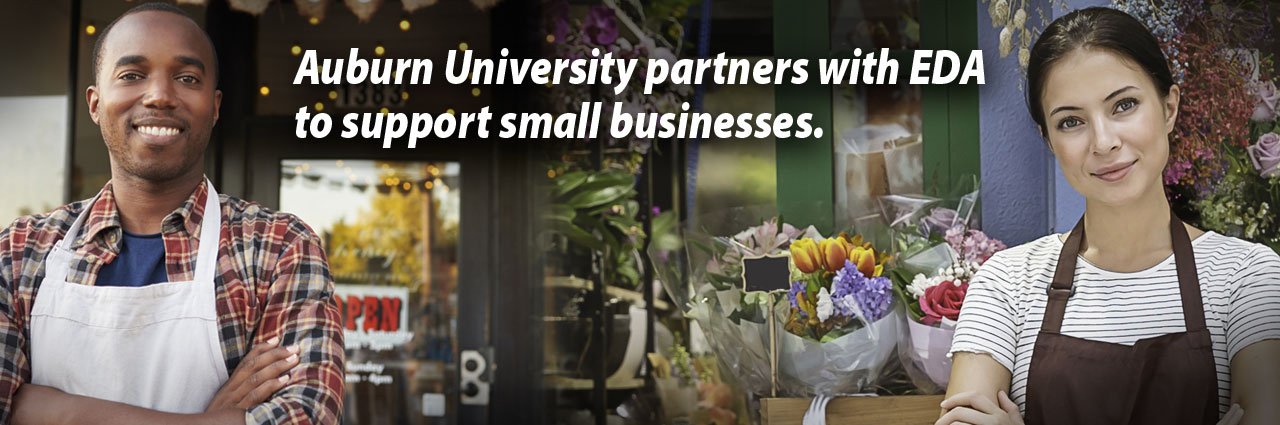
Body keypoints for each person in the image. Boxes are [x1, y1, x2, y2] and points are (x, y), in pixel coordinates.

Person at [0, 3, 344, 424]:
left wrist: (55, 411)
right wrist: (210, 418)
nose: (160, 95)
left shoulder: (277, 248)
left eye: (187, 78)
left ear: (215, 107)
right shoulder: (19, 252)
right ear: (95, 103)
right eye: (131, 75)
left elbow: (307, 415)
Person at [937, 7, 1280, 425]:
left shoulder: (1249, 277)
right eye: (1071, 122)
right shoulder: (1006, 283)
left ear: (1169, 107)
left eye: (1125, 105)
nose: (1103, 142)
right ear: (1048, 139)